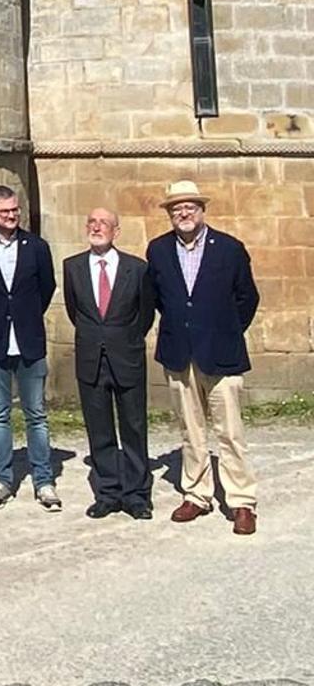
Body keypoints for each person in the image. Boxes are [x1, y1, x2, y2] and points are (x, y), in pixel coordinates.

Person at [146, 180, 260, 535]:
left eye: (190, 206)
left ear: (201, 210)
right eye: (176, 208)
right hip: (180, 352)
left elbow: (248, 298)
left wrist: (224, 330)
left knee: (230, 431)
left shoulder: (229, 248)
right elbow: (160, 299)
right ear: (169, 213)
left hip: (221, 351)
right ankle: (197, 494)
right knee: (190, 429)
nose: (184, 212)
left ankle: (242, 501)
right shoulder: (159, 250)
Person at [0, 185, 60, 511]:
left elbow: (46, 287)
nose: (12, 216)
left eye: (15, 210)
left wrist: (24, 316)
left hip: (29, 339)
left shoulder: (37, 247)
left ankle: (43, 480)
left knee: (36, 414)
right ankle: (3, 478)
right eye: (4, 211)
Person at [63, 208, 156, 520]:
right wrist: (97, 338)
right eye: (91, 221)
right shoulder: (72, 267)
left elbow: (145, 313)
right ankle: (108, 492)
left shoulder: (137, 268)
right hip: (91, 358)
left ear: (117, 230)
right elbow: (75, 311)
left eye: (104, 223)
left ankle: (137, 495)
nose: (96, 227)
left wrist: (123, 339)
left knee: (133, 426)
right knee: (99, 429)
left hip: (126, 356)